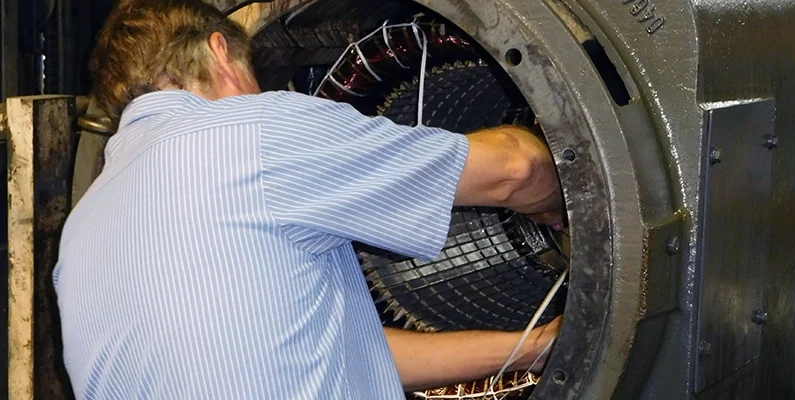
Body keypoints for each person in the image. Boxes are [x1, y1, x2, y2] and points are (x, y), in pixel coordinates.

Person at [53, 0, 566, 399]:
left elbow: (330, 352)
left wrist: (532, 347)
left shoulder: (80, 232)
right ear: (219, 52)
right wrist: (560, 207)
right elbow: (519, 168)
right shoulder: (252, 132)